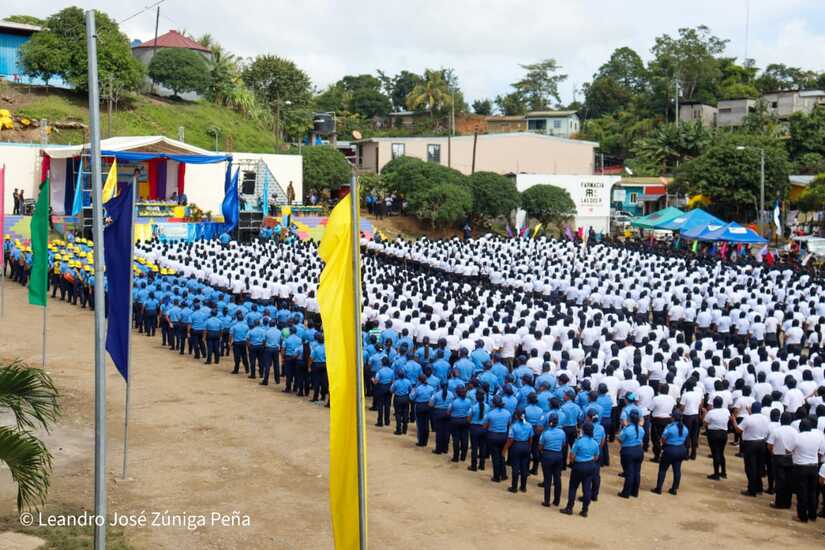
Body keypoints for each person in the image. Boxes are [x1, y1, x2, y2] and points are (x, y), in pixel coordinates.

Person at [787, 418, 825, 523]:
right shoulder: (818, 437)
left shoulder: (797, 437)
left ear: (800, 427)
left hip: (801, 467)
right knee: (813, 492)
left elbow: (788, 450)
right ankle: (812, 515)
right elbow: (820, 451)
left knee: (802, 492)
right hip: (813, 467)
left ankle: (802, 516)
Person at [731, 402, 771, 496]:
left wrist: (733, 421)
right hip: (762, 443)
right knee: (758, 466)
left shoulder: (748, 419)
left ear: (751, 409)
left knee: (750, 468)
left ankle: (752, 490)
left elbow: (738, 430)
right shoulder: (766, 418)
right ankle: (759, 488)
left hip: (750, 444)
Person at [560, 421, 599, 517]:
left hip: (579, 466)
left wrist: (574, 462)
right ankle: (585, 510)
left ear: (583, 430)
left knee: (573, 487)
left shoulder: (578, 441)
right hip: (590, 466)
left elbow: (572, 456)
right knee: (587, 489)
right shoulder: (595, 443)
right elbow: (596, 457)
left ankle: (569, 508)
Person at [651, 410, 688, 495]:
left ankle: (659, 488)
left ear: (673, 418)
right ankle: (674, 489)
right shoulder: (685, 428)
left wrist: (665, 445)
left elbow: (663, 439)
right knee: (677, 470)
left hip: (670, 450)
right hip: (681, 449)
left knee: (663, 469)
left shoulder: (670, 428)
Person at [767, 412, 797, 509]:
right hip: (790, 458)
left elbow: (769, 445)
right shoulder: (795, 432)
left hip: (778, 457)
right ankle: (787, 503)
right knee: (789, 481)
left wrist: (773, 453)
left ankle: (779, 503)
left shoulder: (776, 431)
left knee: (780, 481)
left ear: (781, 420)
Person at [538, 412, 565, 507]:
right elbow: (563, 444)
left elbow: (540, 446)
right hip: (558, 455)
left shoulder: (545, 433)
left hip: (547, 455)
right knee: (557, 479)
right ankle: (556, 501)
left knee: (547, 479)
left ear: (549, 422)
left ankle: (547, 501)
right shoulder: (562, 432)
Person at [484, 395, 512, 483]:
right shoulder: (507, 413)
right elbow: (509, 424)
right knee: (502, 455)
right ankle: (503, 475)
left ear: (493, 403)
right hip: (503, 436)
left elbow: (485, 426)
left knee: (495, 457)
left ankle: (496, 477)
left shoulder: (490, 414)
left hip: (493, 436)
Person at [504, 408, 532, 493]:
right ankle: (523, 487)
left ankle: (514, 487)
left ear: (516, 416)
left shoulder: (513, 426)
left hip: (516, 446)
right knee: (524, 468)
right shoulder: (529, 425)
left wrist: (505, 449)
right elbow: (531, 438)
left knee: (515, 467)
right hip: (526, 446)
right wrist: (528, 447)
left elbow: (510, 440)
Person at [618, 409, 644, 498]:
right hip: (639, 451)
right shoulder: (641, 429)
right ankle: (635, 492)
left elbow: (620, 439)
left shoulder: (627, 429)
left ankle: (626, 493)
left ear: (629, 418)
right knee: (637, 472)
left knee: (629, 473)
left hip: (628, 452)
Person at [704, 396, 730, 480]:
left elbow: (705, 423)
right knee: (721, 453)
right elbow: (728, 419)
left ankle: (716, 474)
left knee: (715, 453)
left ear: (714, 404)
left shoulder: (711, 412)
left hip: (713, 434)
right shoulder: (726, 411)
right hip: (723, 433)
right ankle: (723, 472)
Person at [447, 386, 473, 462]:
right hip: (465, 421)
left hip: (455, 421)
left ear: (457, 393)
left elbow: (448, 412)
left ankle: (456, 457)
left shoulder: (454, 401)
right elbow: (471, 411)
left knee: (456, 439)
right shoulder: (469, 401)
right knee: (465, 438)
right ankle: (463, 457)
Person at [429, 382, 455, 455]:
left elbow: (430, 404)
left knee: (439, 432)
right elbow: (453, 404)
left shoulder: (436, 394)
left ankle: (438, 449)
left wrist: (435, 408)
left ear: (440, 386)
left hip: (438, 413)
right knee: (447, 431)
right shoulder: (451, 394)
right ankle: (445, 449)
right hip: (448, 413)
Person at [468, 389, 488, 471]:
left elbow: (468, 419)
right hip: (484, 428)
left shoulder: (473, 407)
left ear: (476, 398)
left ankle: (474, 465)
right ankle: (482, 465)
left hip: (475, 428)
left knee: (474, 448)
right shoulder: (488, 407)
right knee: (483, 447)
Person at [372, 358, 395, 428]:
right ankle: (387, 421)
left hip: (380, 388)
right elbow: (393, 381)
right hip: (388, 388)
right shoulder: (392, 371)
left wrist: (372, 379)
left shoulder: (379, 371)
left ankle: (380, 422)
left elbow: (376, 381)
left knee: (380, 405)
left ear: (382, 363)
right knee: (387, 405)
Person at [390, 368, 412, 435]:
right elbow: (410, 389)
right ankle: (405, 429)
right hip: (406, 398)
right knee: (406, 413)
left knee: (398, 414)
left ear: (398, 375)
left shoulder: (396, 382)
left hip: (398, 398)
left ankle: (399, 430)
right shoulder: (408, 381)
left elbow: (391, 390)